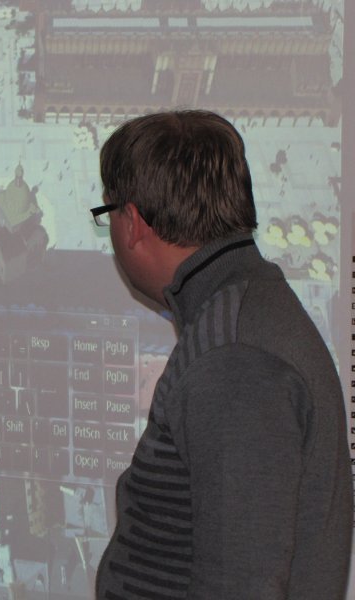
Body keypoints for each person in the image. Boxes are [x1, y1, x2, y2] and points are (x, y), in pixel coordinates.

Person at [92, 110, 351, 599]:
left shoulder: (235, 359)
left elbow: (241, 585)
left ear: (133, 224)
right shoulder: (244, 316)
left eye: (109, 214)